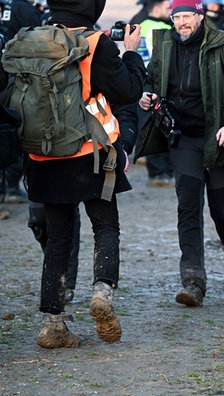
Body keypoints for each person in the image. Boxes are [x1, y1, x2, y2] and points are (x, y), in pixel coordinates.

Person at [20, 0, 146, 348]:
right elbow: (128, 90)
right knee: (105, 225)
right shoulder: (95, 44)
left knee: (59, 239)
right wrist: (130, 53)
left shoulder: (30, 39)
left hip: (43, 154)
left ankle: (52, 323)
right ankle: (102, 293)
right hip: (90, 153)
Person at [136, 0, 224, 307]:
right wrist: (148, 94)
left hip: (221, 137)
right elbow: (153, 79)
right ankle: (193, 281)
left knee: (222, 207)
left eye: (188, 15)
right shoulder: (164, 45)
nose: (182, 22)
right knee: (188, 205)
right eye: (177, 16)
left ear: (200, 15)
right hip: (184, 138)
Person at [0, 0, 43, 205]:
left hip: (5, 76)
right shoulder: (26, 9)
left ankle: (6, 190)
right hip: (15, 77)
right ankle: (10, 188)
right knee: (17, 130)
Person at [134, 0, 175, 187]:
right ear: (157, 9)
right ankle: (164, 173)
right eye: (168, 8)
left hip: (143, 82)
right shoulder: (163, 28)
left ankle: (156, 174)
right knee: (165, 126)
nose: (171, 11)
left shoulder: (140, 25)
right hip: (160, 81)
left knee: (150, 126)